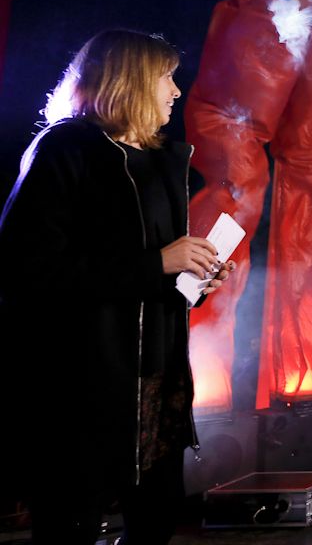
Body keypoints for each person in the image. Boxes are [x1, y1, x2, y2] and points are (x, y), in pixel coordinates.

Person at [0, 30, 234, 544]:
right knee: (70, 521)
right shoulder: (65, 148)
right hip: (81, 382)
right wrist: (157, 263)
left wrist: (194, 278)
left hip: (154, 382)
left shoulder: (160, 163)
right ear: (128, 81)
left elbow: (154, 281)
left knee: (157, 516)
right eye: (165, 78)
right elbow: (27, 268)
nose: (176, 91)